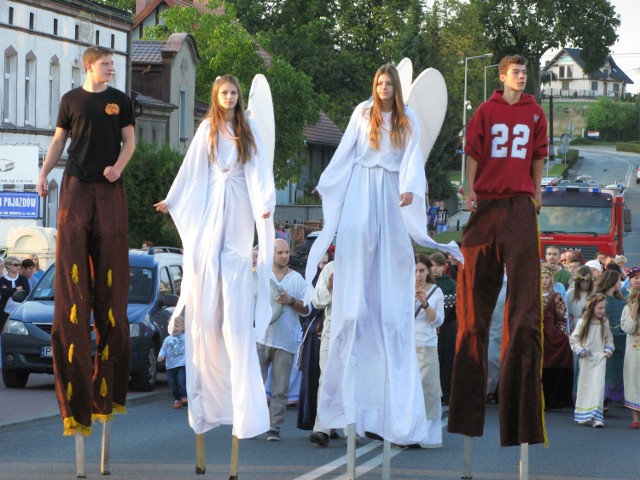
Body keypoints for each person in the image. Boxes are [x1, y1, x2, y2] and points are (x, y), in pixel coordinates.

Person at [304, 63, 461, 445]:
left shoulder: (407, 119)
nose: (385, 87)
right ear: (374, 85)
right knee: (355, 271)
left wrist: (409, 187)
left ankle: (393, 412)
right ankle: (336, 414)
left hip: (391, 189)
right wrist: (326, 184)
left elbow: (412, 161)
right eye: (380, 82)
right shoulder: (362, 113)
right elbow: (345, 152)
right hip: (362, 185)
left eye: (390, 83)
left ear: (397, 88)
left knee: (392, 269)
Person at [154, 74, 275, 440]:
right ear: (216, 96)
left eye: (233, 92)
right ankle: (202, 303)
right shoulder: (208, 127)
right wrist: (173, 199)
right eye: (224, 92)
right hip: (212, 197)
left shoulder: (246, 127)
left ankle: (231, 316)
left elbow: (258, 168)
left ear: (239, 97)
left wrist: (264, 205)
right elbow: (192, 168)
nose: (229, 97)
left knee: (234, 255)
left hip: (237, 195)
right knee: (206, 255)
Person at [449, 54, 548, 447]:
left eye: (526, 73)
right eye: (517, 72)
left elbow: (539, 156)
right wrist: (471, 189)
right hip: (488, 203)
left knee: (524, 314)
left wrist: (538, 191)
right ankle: (466, 414)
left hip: (520, 204)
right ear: (503, 76)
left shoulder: (535, 113)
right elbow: (473, 151)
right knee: (473, 312)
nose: (522, 78)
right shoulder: (486, 111)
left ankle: (520, 421)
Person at [36, 45, 135, 436]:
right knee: (73, 287)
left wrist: (118, 168)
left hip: (109, 189)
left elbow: (130, 143)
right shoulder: (71, 101)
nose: (112, 69)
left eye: (114, 64)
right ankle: (75, 402)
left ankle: (108, 392)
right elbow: (59, 142)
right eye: (107, 64)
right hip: (75, 185)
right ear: (90, 66)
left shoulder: (120, 102)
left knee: (110, 291)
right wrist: (45, 174)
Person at [257, 238, 309, 441]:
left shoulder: (296, 279)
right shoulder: (262, 275)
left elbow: (307, 308)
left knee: (280, 389)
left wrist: (291, 301)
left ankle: (274, 428)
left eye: (287, 252)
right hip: (261, 338)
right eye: (280, 252)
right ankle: (253, 421)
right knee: (256, 385)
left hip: (285, 341)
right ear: (272, 254)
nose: (285, 256)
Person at [297, 251, 332, 432]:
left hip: (353, 331)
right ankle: (322, 427)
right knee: (324, 378)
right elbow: (315, 301)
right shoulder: (330, 271)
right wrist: (329, 286)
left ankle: (351, 429)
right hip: (322, 330)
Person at [570, 293, 614, 427]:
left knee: (598, 387)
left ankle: (596, 417)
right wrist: (580, 350)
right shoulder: (583, 322)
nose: (602, 311)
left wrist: (608, 350)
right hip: (586, 359)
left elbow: (609, 339)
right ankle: (584, 414)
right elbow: (574, 339)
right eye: (599, 308)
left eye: (603, 308)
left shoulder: (604, 323)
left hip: (600, 359)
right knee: (586, 386)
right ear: (591, 308)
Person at [414, 254, 444, 448]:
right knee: (407, 391)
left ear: (428, 271)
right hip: (405, 346)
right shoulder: (401, 288)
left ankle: (426, 434)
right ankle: (406, 431)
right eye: (415, 271)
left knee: (428, 389)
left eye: (421, 270)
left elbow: (438, 320)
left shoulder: (436, 292)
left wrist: (424, 304)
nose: (418, 275)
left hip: (426, 345)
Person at [540, 265, 573, 409]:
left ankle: (555, 396)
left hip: (550, 333)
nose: (544, 280)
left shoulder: (556, 297)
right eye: (541, 278)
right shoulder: (531, 296)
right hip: (534, 331)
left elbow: (561, 319)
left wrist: (564, 334)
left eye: (547, 278)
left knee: (563, 347)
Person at [595, 270, 626, 405]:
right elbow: (588, 315)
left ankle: (607, 398)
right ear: (612, 281)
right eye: (619, 280)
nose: (621, 283)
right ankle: (598, 400)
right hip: (600, 338)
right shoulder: (597, 298)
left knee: (614, 371)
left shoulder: (621, 300)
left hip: (618, 340)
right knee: (601, 371)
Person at [430, 252, 457, 405]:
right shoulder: (427, 284)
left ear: (443, 266)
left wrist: (445, 320)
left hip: (447, 327)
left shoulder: (451, 284)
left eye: (437, 266)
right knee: (433, 360)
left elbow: (455, 308)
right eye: (431, 266)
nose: (434, 269)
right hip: (430, 327)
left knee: (446, 360)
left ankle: (445, 393)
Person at [621, 278, 640, 428]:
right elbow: (628, 329)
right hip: (634, 351)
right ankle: (635, 418)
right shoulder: (628, 308)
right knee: (633, 380)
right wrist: (634, 311)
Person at [158, 316, 187, 409]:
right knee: (173, 385)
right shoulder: (167, 339)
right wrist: (161, 356)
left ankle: (184, 397)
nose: (174, 328)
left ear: (183, 327)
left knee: (181, 382)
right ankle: (177, 400)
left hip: (182, 364)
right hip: (170, 366)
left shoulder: (186, 337)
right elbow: (163, 349)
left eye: (177, 326)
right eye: (172, 326)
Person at [1, 256, 30, 329]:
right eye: (15, 265)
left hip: (20, 310)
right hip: (5, 311)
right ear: (8, 266)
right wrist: (17, 288)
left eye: (19, 265)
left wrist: (9, 290)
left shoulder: (22, 278)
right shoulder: (2, 280)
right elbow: (4, 292)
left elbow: (27, 292)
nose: (18, 267)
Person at [566, 266, 595, 332]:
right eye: (582, 281)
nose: (585, 284)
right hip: (575, 324)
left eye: (587, 281)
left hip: (590, 325)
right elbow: (566, 310)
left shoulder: (594, 294)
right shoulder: (571, 293)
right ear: (577, 281)